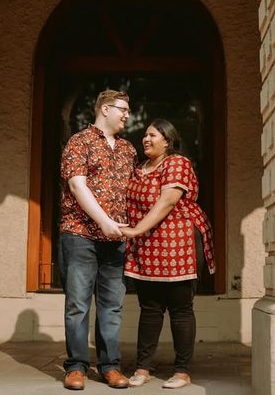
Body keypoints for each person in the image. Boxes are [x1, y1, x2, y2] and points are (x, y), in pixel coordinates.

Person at [121, 119, 215, 389]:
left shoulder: (177, 162)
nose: (146, 139)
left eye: (152, 135)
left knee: (180, 309)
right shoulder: (140, 169)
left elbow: (168, 201)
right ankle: (143, 367)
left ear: (168, 140)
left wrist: (136, 229)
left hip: (179, 242)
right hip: (148, 246)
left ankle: (182, 371)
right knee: (149, 309)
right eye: (145, 135)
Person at [59, 89, 137, 390]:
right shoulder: (79, 142)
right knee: (78, 304)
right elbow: (78, 186)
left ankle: (110, 366)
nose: (127, 115)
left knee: (112, 306)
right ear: (105, 109)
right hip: (79, 234)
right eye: (123, 109)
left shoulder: (129, 149)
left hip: (116, 239)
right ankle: (76, 367)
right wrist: (103, 221)